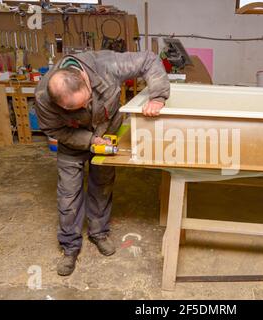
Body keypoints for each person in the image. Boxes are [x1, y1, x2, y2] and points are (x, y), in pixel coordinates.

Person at [35, 50, 170, 276]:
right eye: (72, 110)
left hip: (107, 133)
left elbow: (149, 59)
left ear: (85, 81)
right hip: (73, 142)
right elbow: (53, 129)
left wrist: (157, 97)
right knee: (68, 195)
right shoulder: (43, 96)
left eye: (84, 102)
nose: (81, 110)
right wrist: (88, 140)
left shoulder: (106, 65)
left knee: (102, 184)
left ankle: (99, 233)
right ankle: (70, 247)